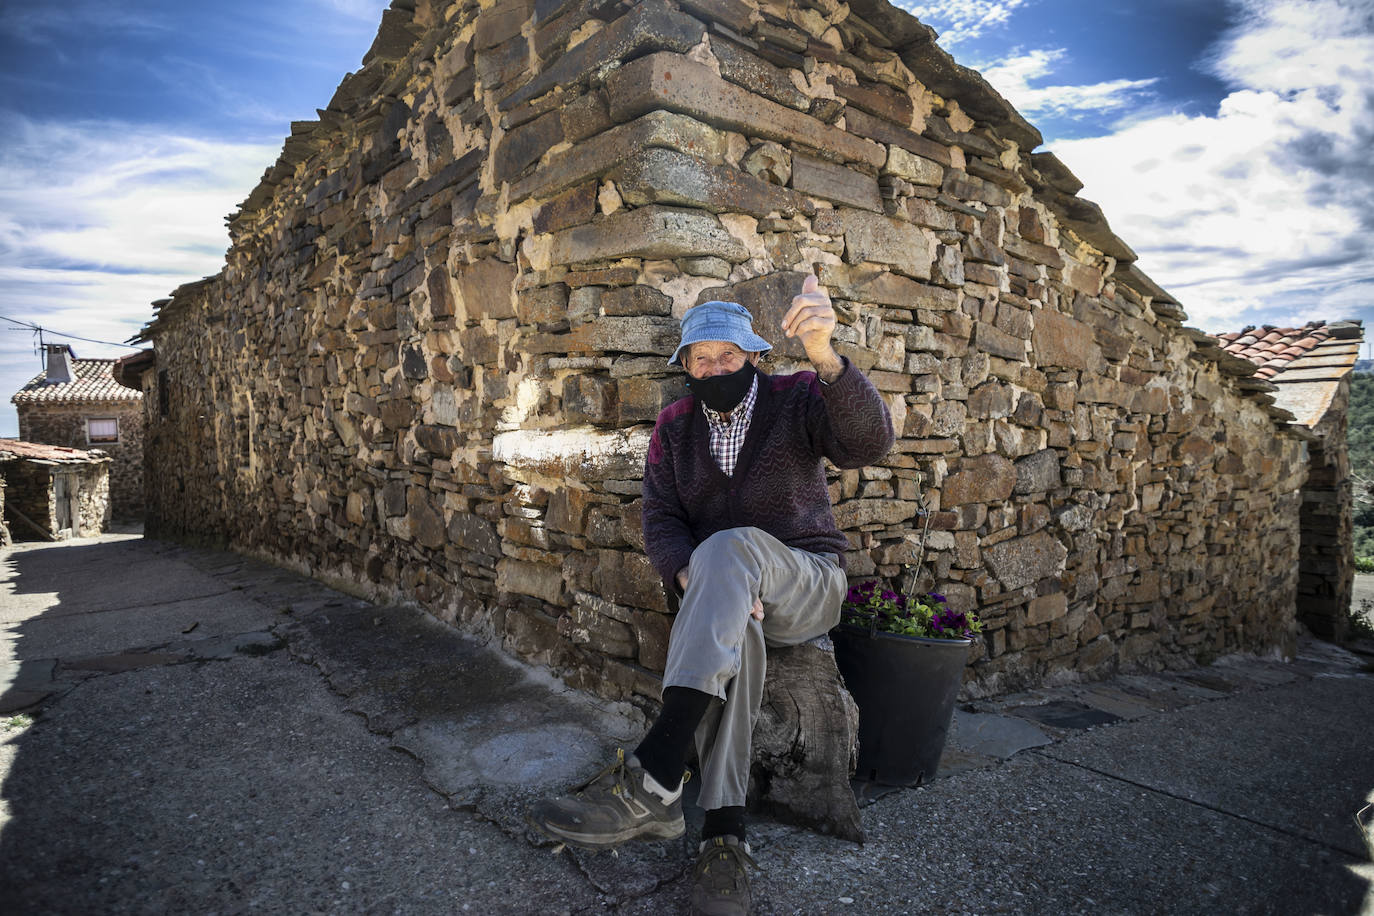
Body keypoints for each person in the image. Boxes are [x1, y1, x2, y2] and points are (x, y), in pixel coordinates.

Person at [529, 274, 894, 915]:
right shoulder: (673, 427)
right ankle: (724, 835)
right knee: (734, 618)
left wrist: (825, 353)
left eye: (730, 355)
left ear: (754, 356)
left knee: (730, 546)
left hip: (806, 581)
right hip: (732, 597)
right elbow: (662, 519)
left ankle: (658, 769)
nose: (717, 366)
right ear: (688, 368)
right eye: (704, 358)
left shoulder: (797, 396)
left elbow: (871, 444)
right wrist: (697, 581)